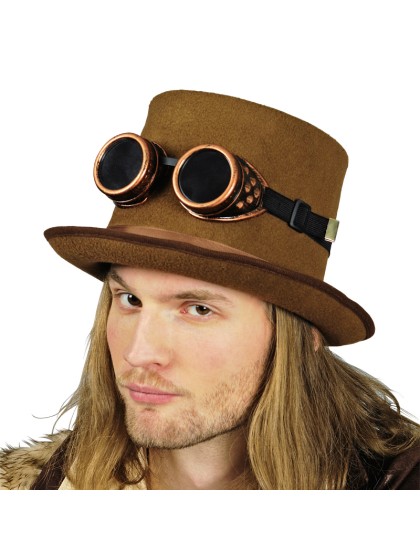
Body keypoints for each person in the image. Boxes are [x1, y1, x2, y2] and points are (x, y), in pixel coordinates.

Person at [1, 90, 419, 490]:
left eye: (198, 309)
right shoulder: (44, 488)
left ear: (305, 330)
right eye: (130, 299)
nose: (139, 353)